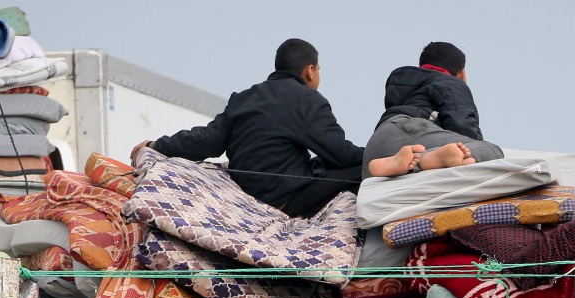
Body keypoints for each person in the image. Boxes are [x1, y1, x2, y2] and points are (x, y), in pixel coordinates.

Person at [134, 39, 428, 219]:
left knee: (318, 166)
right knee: (360, 172)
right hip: (286, 198)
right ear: (309, 70)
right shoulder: (307, 100)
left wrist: (157, 145)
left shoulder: (244, 98)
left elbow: (205, 141)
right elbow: (339, 154)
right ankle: (400, 162)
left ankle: (387, 162)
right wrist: (376, 154)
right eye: (319, 69)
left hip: (247, 191)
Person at [362, 41, 504, 179]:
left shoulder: (404, 84)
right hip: (411, 132)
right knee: (491, 151)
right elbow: (461, 124)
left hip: (376, 145)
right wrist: (471, 150)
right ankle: (422, 160)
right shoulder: (451, 82)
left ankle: (401, 163)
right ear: (461, 73)